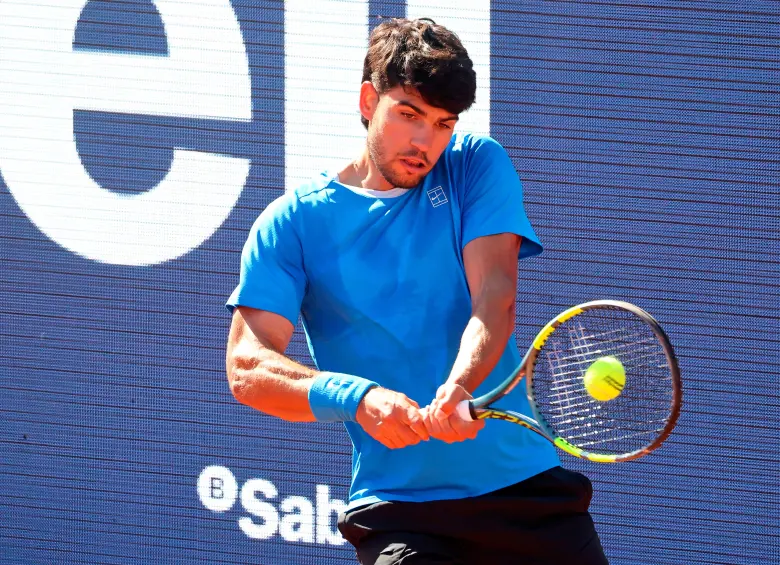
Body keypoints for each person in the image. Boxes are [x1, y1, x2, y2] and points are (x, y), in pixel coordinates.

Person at [225, 17, 608, 565]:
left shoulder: (475, 164)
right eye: (408, 115)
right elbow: (248, 367)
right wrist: (356, 398)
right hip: (401, 512)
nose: (425, 141)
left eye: (442, 123)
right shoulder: (290, 224)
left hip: (530, 495)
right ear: (367, 101)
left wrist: (459, 386)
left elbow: (493, 298)